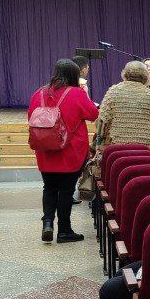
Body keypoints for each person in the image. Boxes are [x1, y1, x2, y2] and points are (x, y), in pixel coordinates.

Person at [29, 59, 99, 244]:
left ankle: (48, 223)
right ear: (74, 75)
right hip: (70, 150)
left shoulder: (39, 92)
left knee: (49, 188)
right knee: (66, 191)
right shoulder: (77, 93)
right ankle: (64, 230)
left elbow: (31, 117)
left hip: (45, 149)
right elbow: (93, 114)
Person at [95, 61, 150, 149]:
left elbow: (102, 121)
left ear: (124, 73)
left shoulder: (114, 91)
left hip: (117, 146)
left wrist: (99, 144)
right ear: (145, 75)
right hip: (144, 147)